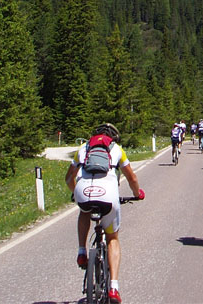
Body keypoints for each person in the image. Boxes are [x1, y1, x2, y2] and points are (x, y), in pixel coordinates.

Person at [65, 123, 145, 304]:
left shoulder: (83, 149)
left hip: (83, 192)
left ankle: (81, 251)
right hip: (108, 195)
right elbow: (131, 177)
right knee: (113, 239)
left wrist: (75, 192)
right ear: (113, 137)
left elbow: (69, 177)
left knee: (83, 211)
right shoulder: (117, 149)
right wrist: (137, 194)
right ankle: (114, 288)